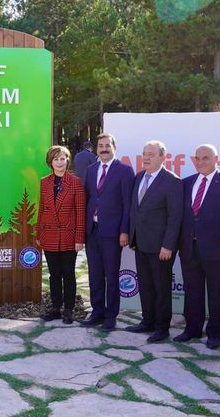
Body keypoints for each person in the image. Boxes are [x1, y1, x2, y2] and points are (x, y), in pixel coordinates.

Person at [174, 144, 220, 350]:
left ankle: (215, 333)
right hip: (189, 248)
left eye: (206, 157)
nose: (202, 161)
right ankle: (192, 329)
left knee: (218, 293)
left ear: (216, 159)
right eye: (198, 158)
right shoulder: (186, 183)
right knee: (192, 291)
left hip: (217, 250)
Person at [127, 140, 183, 343]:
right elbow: (135, 210)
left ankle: (162, 328)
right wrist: (132, 236)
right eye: (144, 153)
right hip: (141, 244)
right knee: (146, 286)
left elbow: (175, 216)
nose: (146, 157)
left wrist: (168, 245)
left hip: (161, 247)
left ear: (163, 157)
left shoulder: (172, 181)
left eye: (151, 154)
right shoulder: (139, 177)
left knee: (161, 288)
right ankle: (147, 321)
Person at [81, 133, 134, 331]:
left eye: (107, 145)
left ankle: (111, 315)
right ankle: (97, 312)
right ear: (96, 149)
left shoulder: (125, 171)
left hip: (113, 233)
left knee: (111, 275)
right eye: (100, 145)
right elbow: (88, 198)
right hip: (92, 231)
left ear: (114, 147)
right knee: (94, 274)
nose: (103, 148)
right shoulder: (91, 169)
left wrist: (124, 231)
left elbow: (128, 204)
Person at [35, 145, 86, 324]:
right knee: (54, 274)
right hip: (48, 234)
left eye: (62, 158)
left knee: (68, 274)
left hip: (68, 236)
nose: (59, 162)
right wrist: (39, 232)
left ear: (67, 160)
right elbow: (42, 209)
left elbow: (80, 212)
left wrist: (80, 238)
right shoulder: (44, 182)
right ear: (50, 162)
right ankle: (56, 308)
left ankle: (69, 310)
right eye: (56, 159)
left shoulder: (75, 182)